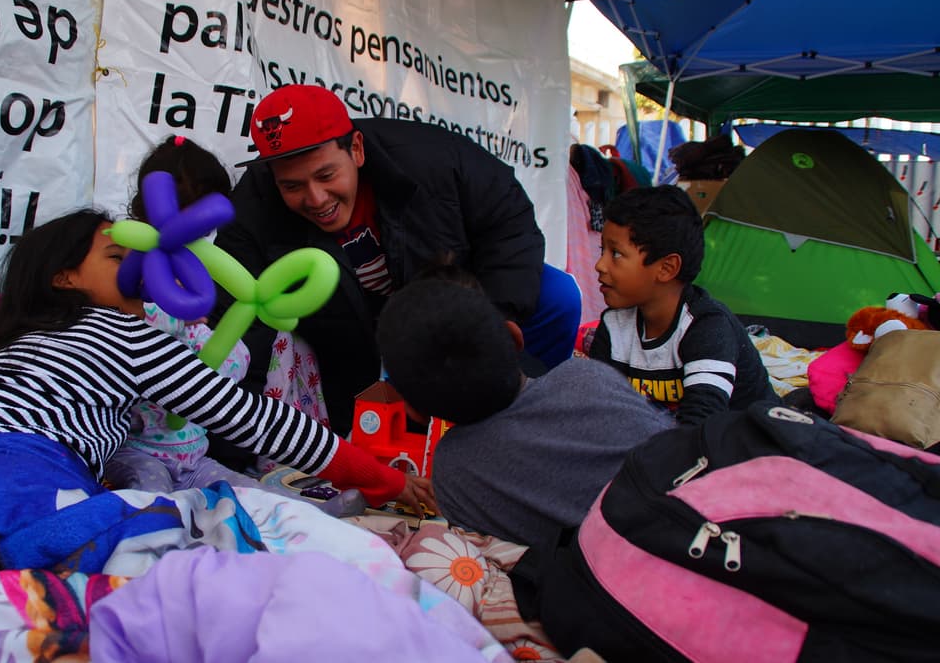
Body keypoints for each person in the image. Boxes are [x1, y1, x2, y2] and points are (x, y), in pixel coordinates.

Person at [0, 207, 435, 513]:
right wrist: (383, 480)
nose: (142, 269)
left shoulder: (17, 342)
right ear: (63, 278)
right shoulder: (119, 332)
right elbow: (255, 419)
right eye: (118, 257)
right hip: (5, 476)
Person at [217, 83, 580, 443]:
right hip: (345, 337)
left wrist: (487, 326)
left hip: (449, 304)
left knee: (557, 295)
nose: (316, 199)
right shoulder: (254, 203)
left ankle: (527, 417)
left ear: (356, 149)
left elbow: (509, 228)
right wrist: (232, 433)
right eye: (292, 186)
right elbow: (239, 314)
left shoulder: (436, 159)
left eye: (326, 176)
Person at [102, 135, 366, 516]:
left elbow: (225, 369)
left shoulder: (198, 282)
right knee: (155, 498)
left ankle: (307, 515)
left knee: (243, 489)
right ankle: (155, 537)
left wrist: (209, 338)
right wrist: (170, 316)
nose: (198, 240)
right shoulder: (126, 283)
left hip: (192, 453)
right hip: (137, 452)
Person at [376, 278, 671, 550]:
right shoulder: (588, 377)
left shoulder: (453, 473)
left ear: (414, 411)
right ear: (516, 337)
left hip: (603, 582)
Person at [588, 185, 778, 426]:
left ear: (666, 268)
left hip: (746, 439)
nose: (600, 265)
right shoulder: (614, 324)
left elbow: (700, 424)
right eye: (602, 250)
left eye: (615, 253)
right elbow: (597, 406)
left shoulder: (707, 327)